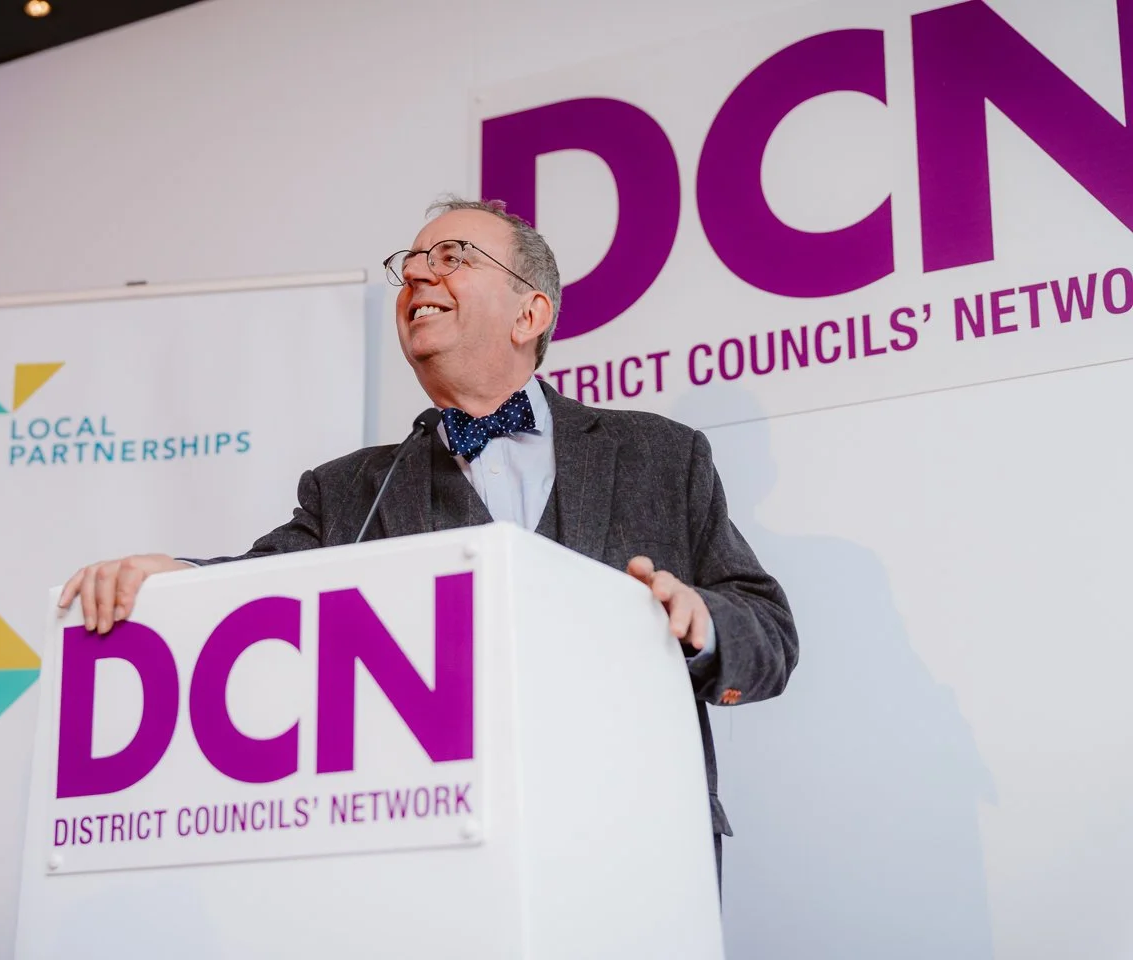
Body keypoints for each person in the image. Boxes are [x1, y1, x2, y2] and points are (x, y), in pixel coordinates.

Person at [58, 197, 798, 878]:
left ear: (529, 313)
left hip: (637, 851)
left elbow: (769, 635)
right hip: (426, 867)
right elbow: (262, 586)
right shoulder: (347, 489)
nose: (416, 275)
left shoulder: (661, 455)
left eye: (451, 258)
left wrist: (700, 623)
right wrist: (175, 577)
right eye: (410, 264)